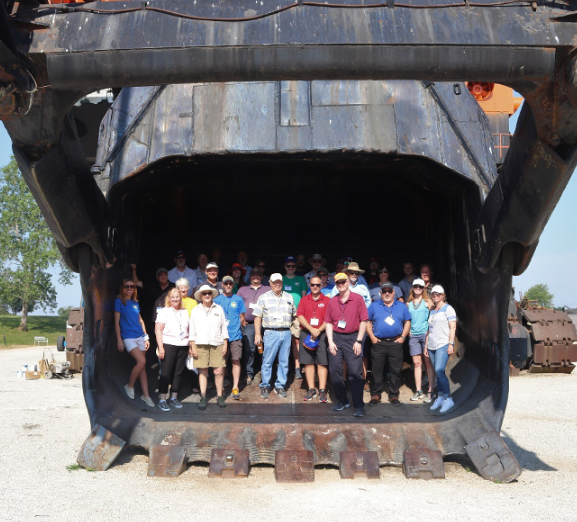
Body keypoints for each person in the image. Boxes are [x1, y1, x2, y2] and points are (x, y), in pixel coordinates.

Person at [325, 273, 368, 418]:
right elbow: (328, 322)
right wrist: (330, 342)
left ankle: (359, 405)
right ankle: (342, 400)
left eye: (343, 282)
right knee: (336, 372)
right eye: (338, 283)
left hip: (352, 338)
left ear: (348, 282)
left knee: (355, 373)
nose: (341, 284)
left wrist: (359, 340)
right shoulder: (332, 301)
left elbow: (364, 321)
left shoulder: (358, 299)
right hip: (336, 338)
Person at [367, 282, 411, 406]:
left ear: (393, 293)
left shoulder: (401, 306)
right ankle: (376, 394)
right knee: (377, 370)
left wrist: (403, 337)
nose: (387, 293)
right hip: (379, 343)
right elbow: (367, 322)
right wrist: (372, 337)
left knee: (395, 370)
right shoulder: (374, 306)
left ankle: (393, 395)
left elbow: (407, 322)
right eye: (384, 291)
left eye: (389, 291)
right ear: (380, 293)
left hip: (395, 343)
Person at [253, 273, 296, 399]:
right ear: (270, 283)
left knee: (284, 361)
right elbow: (257, 317)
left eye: (280, 282)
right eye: (275, 282)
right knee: (267, 361)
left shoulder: (289, 297)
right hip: (271, 332)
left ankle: (280, 385)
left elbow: (294, 314)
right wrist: (257, 334)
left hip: (286, 332)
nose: (277, 284)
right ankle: (265, 385)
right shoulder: (263, 297)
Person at [114, 279, 155, 408]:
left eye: (131, 286)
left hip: (140, 336)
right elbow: (116, 322)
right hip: (128, 337)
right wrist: (119, 339)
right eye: (126, 286)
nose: (129, 288)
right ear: (122, 288)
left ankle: (146, 396)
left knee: (142, 367)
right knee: (141, 362)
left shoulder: (135, 303)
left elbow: (140, 320)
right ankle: (130, 385)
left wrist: (146, 337)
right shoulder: (119, 301)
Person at [188, 284, 229, 410]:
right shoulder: (195, 310)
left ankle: (220, 395)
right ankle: (203, 397)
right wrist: (192, 346)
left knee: (219, 371)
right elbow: (192, 330)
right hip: (200, 343)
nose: (207, 295)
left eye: (209, 293)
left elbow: (223, 327)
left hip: (217, 343)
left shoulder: (219, 309)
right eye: (204, 293)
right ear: (200, 296)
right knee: (203, 371)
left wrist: (225, 344)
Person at [155, 288, 190, 412]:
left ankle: (173, 397)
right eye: (173, 297)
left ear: (180, 298)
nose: (175, 299)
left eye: (177, 297)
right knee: (166, 372)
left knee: (179, 372)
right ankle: (162, 399)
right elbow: (158, 330)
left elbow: (188, 329)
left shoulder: (185, 312)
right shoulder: (164, 311)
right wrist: (161, 347)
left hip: (183, 345)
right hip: (169, 344)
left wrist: (190, 346)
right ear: (169, 299)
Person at [297, 276, 331, 402]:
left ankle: (322, 390)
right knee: (308, 362)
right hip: (307, 333)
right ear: (309, 286)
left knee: (322, 362)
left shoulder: (327, 300)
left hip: (322, 334)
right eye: (312, 285)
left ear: (321, 285)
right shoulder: (304, 300)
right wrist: (311, 329)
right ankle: (311, 389)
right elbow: (300, 316)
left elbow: (329, 318)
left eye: (317, 285)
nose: (315, 287)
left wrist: (318, 330)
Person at [425, 285, 457, 414]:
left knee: (439, 370)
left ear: (443, 295)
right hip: (431, 345)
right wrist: (426, 346)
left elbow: (453, 327)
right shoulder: (433, 310)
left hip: (442, 344)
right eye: (433, 294)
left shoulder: (448, 309)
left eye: (438, 293)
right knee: (437, 372)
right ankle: (440, 397)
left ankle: (449, 399)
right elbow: (429, 329)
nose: (435, 295)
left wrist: (451, 344)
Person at [215, 276, 246, 400]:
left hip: (235, 336)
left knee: (235, 361)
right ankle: (221, 388)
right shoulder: (216, 300)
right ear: (222, 285)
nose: (228, 285)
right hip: (220, 337)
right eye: (226, 283)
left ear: (233, 285)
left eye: (230, 284)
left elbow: (242, 317)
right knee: (220, 364)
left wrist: (235, 328)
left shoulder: (238, 299)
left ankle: (235, 387)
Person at [237, 270, 270, 385]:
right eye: (253, 275)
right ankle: (248, 373)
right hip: (249, 324)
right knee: (249, 348)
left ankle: (264, 372)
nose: (255, 277)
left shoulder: (268, 289)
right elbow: (237, 305)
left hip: (265, 324)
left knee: (266, 348)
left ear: (262, 277)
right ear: (249, 277)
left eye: (258, 275)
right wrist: (241, 318)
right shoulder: (242, 289)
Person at [406, 278, 434, 402]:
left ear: (423, 289)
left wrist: (430, 331)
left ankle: (430, 390)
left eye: (420, 287)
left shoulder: (428, 302)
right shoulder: (409, 304)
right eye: (416, 286)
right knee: (417, 364)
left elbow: (434, 316)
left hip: (425, 334)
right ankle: (418, 391)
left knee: (428, 362)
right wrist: (408, 332)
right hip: (413, 336)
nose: (418, 288)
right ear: (412, 287)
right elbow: (406, 319)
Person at [283, 256, 307, 380]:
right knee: (283, 341)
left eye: (293, 266)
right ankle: (284, 367)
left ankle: (297, 367)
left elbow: (303, 298)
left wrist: (301, 313)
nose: (291, 268)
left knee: (296, 341)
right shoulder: (281, 280)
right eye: (288, 266)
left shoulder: (301, 279)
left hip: (297, 315)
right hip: (283, 315)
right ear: (285, 267)